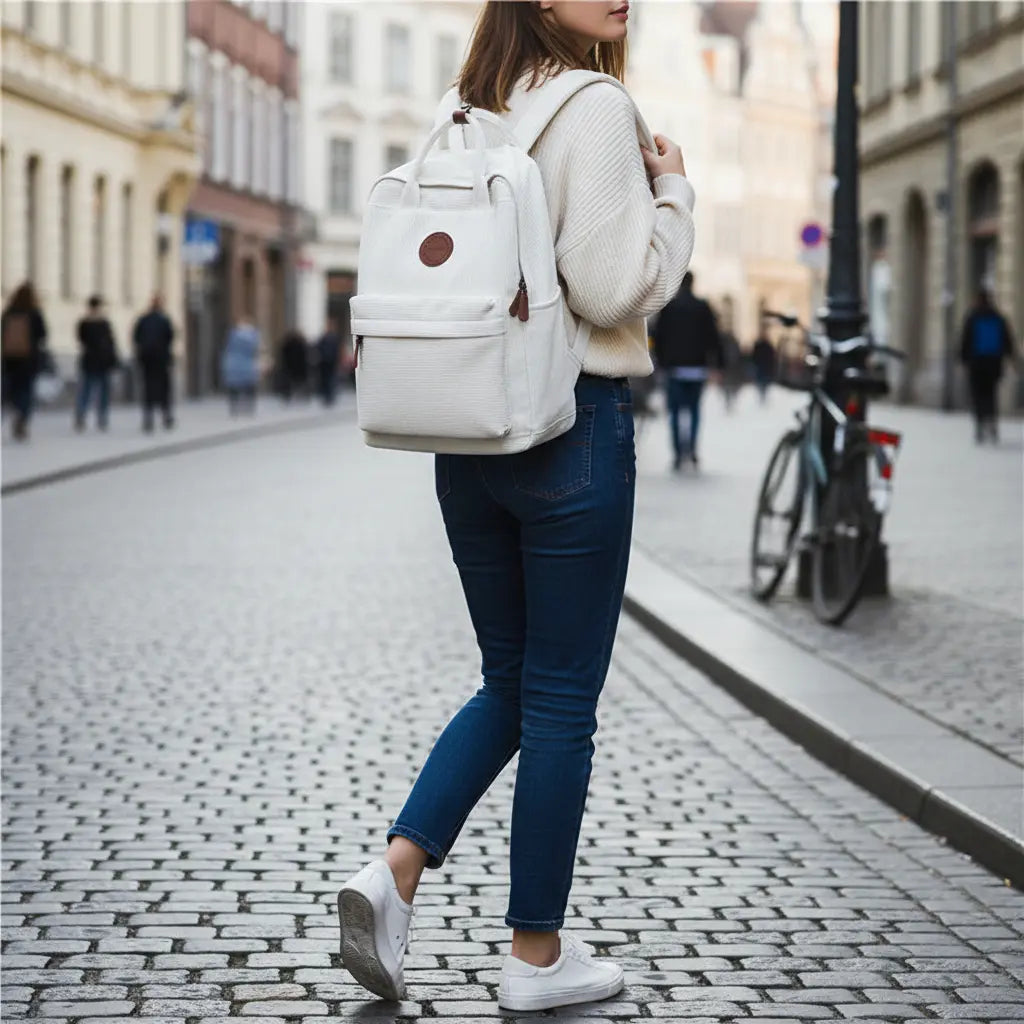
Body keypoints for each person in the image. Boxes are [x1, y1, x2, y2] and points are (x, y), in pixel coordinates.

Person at [336, 1, 694, 1014]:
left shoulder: (462, 107)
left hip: (465, 435)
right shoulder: (595, 105)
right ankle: (535, 955)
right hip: (569, 428)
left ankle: (395, 871)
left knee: (508, 679)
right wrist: (674, 195)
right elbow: (615, 288)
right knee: (560, 697)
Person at [652, 272, 722, 468]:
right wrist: (719, 364)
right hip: (697, 368)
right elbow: (713, 337)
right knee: (694, 411)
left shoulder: (669, 308)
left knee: (674, 412)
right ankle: (691, 449)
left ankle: (677, 453)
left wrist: (660, 362)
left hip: (674, 368)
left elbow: (658, 336)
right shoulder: (702, 307)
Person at [960, 289, 1017, 443]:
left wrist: (963, 359)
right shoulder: (998, 317)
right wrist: (1012, 358)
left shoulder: (972, 317)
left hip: (977, 363)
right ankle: (992, 423)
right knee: (991, 394)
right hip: (994, 363)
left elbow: (965, 340)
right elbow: (1008, 340)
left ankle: (979, 425)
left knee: (977, 395)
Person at [1, 282, 49, 441]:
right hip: (29, 360)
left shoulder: (9, 312)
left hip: (10, 360)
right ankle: (22, 417)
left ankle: (15, 410)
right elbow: (43, 335)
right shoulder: (34, 313)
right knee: (26, 391)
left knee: (11, 389)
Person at [75, 295, 119, 431]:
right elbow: (110, 342)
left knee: (88, 390)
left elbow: (81, 340)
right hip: (100, 361)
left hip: (91, 360)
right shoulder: (102, 323)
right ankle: (99, 417)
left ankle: (84, 415)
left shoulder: (85, 323)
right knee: (99, 390)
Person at [132, 295, 175, 432]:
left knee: (148, 389)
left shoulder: (144, 320)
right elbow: (170, 337)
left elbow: (136, 337)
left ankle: (149, 418)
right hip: (160, 360)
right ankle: (165, 416)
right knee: (163, 389)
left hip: (147, 360)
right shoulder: (163, 320)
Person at [221, 317, 261, 415]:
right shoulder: (253, 336)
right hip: (248, 365)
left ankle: (234, 407)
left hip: (234, 364)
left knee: (234, 387)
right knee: (249, 386)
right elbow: (256, 350)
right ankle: (249, 407)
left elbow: (228, 349)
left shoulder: (233, 335)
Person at [315, 320, 341, 406]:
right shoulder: (325, 337)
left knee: (330, 379)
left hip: (331, 362)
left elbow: (337, 350)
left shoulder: (333, 337)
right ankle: (327, 396)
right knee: (326, 380)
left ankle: (330, 396)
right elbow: (318, 347)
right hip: (325, 362)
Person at [279, 329, 309, 401]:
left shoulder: (290, 345)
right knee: (297, 382)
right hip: (295, 367)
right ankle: (298, 395)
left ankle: (296, 395)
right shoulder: (299, 344)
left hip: (292, 367)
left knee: (295, 382)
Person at [751, 324, 777, 403]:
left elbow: (772, 357)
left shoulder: (767, 346)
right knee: (761, 384)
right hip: (761, 368)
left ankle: (763, 397)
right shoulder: (759, 346)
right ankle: (762, 397)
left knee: (764, 384)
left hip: (764, 368)